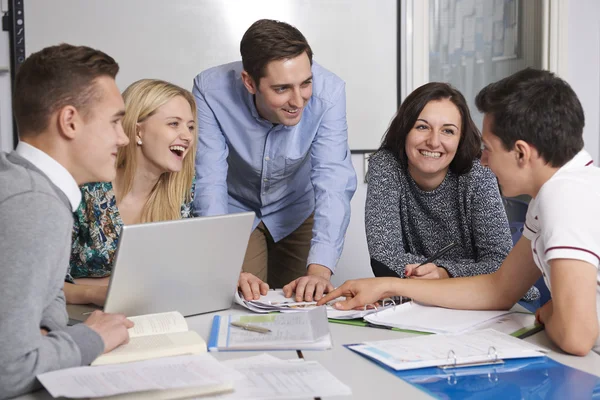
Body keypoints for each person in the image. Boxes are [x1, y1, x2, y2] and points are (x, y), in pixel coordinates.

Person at [319, 68, 600, 356]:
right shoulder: (556, 192)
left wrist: (547, 313)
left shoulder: (564, 196)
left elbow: (576, 337)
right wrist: (386, 285)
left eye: (488, 149)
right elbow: (500, 288)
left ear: (521, 153)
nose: (484, 161)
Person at [0, 44, 133, 398]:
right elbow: (8, 371)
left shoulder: (24, 182)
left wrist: (47, 334)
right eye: (115, 122)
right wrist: (92, 338)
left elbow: (46, 301)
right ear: (70, 121)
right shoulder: (34, 205)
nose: (123, 139)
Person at [193, 19, 357, 302]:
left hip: (298, 207)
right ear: (249, 82)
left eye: (305, 84)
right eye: (282, 89)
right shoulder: (210, 92)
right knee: (240, 299)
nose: (298, 100)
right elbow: (209, 181)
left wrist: (320, 271)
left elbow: (333, 179)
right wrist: (221, 266)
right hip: (237, 209)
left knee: (303, 301)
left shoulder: (329, 92)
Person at [366, 82, 538, 300]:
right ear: (404, 130)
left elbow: (501, 265)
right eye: (422, 127)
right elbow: (383, 258)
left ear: (460, 139)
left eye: (448, 131)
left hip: (483, 301)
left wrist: (444, 273)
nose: (433, 141)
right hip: (415, 304)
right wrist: (444, 274)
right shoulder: (385, 165)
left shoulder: (478, 174)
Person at [65, 79, 197, 306]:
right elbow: (42, 283)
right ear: (138, 131)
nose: (187, 136)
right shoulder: (84, 190)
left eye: (191, 126)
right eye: (174, 124)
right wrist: (94, 293)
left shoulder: (180, 192)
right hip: (76, 318)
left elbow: (179, 274)